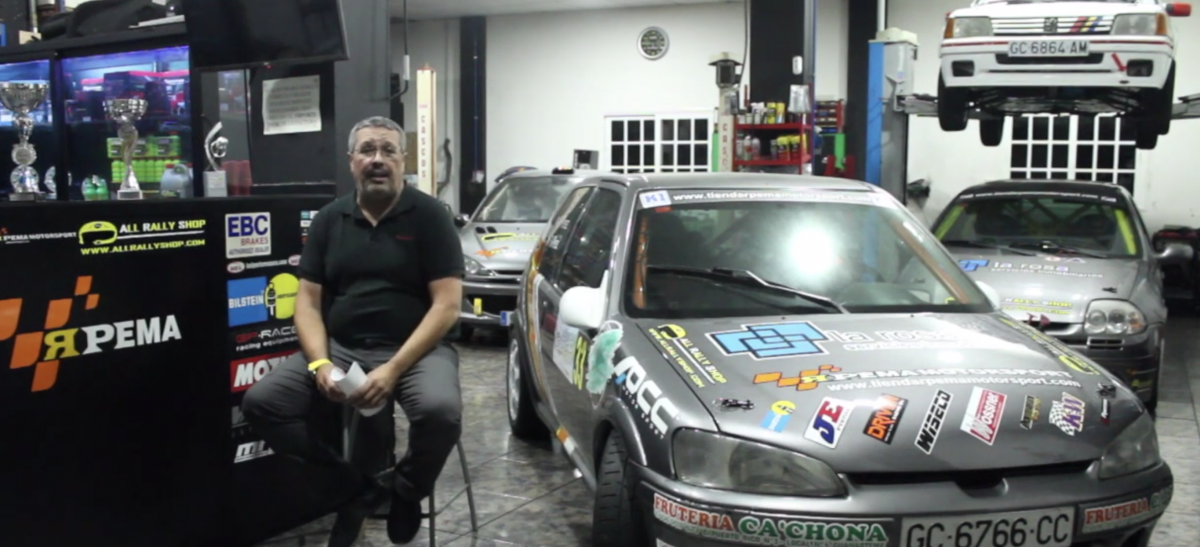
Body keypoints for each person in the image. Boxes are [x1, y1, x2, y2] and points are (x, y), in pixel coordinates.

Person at [241, 116, 465, 547]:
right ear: (351, 161)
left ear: (402, 160)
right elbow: (306, 304)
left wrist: (393, 369)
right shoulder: (329, 219)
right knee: (263, 403)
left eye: (387, 150)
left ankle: (405, 489)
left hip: (416, 352)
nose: (377, 159)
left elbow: (447, 306)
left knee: (440, 412)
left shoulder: (430, 216)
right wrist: (321, 363)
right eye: (367, 150)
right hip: (343, 349)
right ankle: (354, 489)